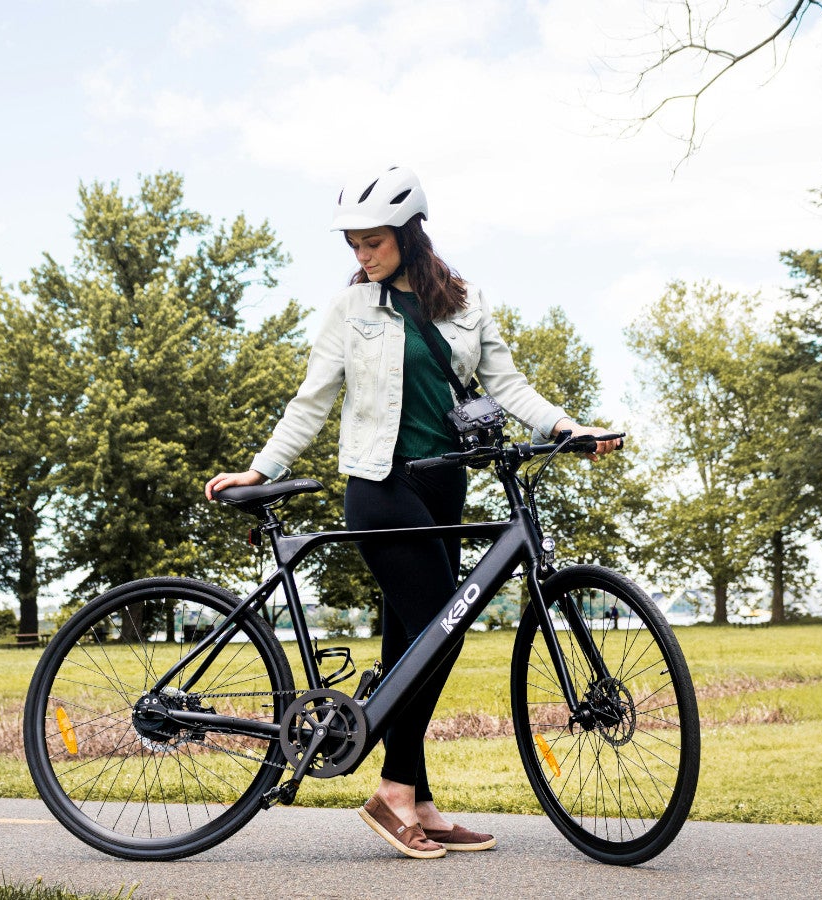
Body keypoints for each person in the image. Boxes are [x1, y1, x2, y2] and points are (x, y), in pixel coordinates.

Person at [205, 166, 621, 859]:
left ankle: (418, 800)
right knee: (444, 628)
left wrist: (565, 429)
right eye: (355, 246)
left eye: (374, 243)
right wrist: (263, 467)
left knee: (415, 645)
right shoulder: (352, 310)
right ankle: (393, 791)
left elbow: (507, 383)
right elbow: (312, 398)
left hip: (443, 489)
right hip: (379, 486)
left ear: (408, 235)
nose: (362, 257)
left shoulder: (464, 303)